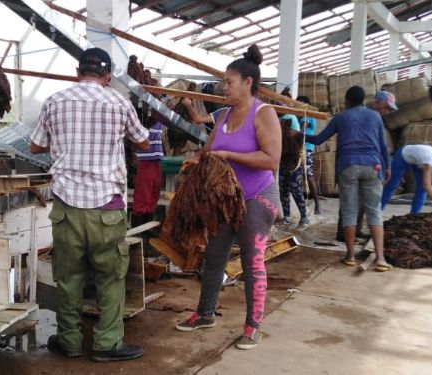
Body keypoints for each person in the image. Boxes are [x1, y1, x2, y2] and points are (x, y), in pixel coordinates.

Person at [30, 47, 150, 362]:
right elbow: (143, 142)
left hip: (67, 207)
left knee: (68, 277)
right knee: (110, 278)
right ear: (108, 76)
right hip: (107, 208)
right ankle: (106, 345)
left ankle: (69, 341)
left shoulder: (55, 101)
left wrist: (66, 145)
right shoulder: (119, 103)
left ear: (77, 71)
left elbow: (35, 144)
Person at [174, 45, 281, 350]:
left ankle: (253, 326)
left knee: (252, 261)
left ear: (248, 82)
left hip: (258, 197)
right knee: (214, 257)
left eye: (229, 82)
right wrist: (196, 160)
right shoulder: (223, 116)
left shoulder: (264, 113)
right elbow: (209, 149)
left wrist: (230, 154)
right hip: (226, 201)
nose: (225, 87)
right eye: (224, 82)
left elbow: (271, 159)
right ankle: (205, 313)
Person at [305, 86, 391, 271]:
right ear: (363, 100)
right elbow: (383, 145)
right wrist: (387, 166)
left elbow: (319, 139)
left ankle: (350, 256)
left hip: (348, 166)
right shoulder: (375, 116)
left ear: (347, 101)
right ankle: (381, 259)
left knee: (349, 212)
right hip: (372, 165)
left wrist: (299, 135)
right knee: (375, 212)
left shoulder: (341, 117)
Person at [335, 90, 397, 241]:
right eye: (386, 107)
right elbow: (383, 146)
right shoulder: (368, 116)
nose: (387, 111)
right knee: (350, 203)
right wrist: (386, 166)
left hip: (361, 164)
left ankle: (356, 230)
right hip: (355, 162)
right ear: (377, 102)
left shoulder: (374, 117)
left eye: (389, 109)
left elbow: (382, 146)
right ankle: (344, 233)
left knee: (361, 200)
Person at [382, 145, 432, 218]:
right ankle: (377, 211)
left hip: (418, 162)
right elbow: (427, 185)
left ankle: (413, 216)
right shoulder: (429, 162)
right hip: (403, 156)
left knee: (422, 189)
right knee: (392, 184)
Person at [131, 118, 165, 228]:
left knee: (154, 194)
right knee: (143, 195)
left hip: (156, 160)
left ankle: (147, 227)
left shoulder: (160, 114)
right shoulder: (143, 113)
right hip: (143, 160)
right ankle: (139, 230)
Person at [278, 113, 309, 228]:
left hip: (295, 165)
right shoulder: (281, 135)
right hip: (283, 165)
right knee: (283, 190)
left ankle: (304, 217)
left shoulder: (299, 138)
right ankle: (287, 217)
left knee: (295, 190)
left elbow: (298, 154)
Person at [296, 95, 322, 214]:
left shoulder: (308, 115)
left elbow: (302, 129)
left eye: (300, 103)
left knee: (308, 175)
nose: (298, 106)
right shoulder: (300, 116)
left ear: (306, 104)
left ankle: (317, 204)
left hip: (306, 149)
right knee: (301, 176)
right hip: (301, 148)